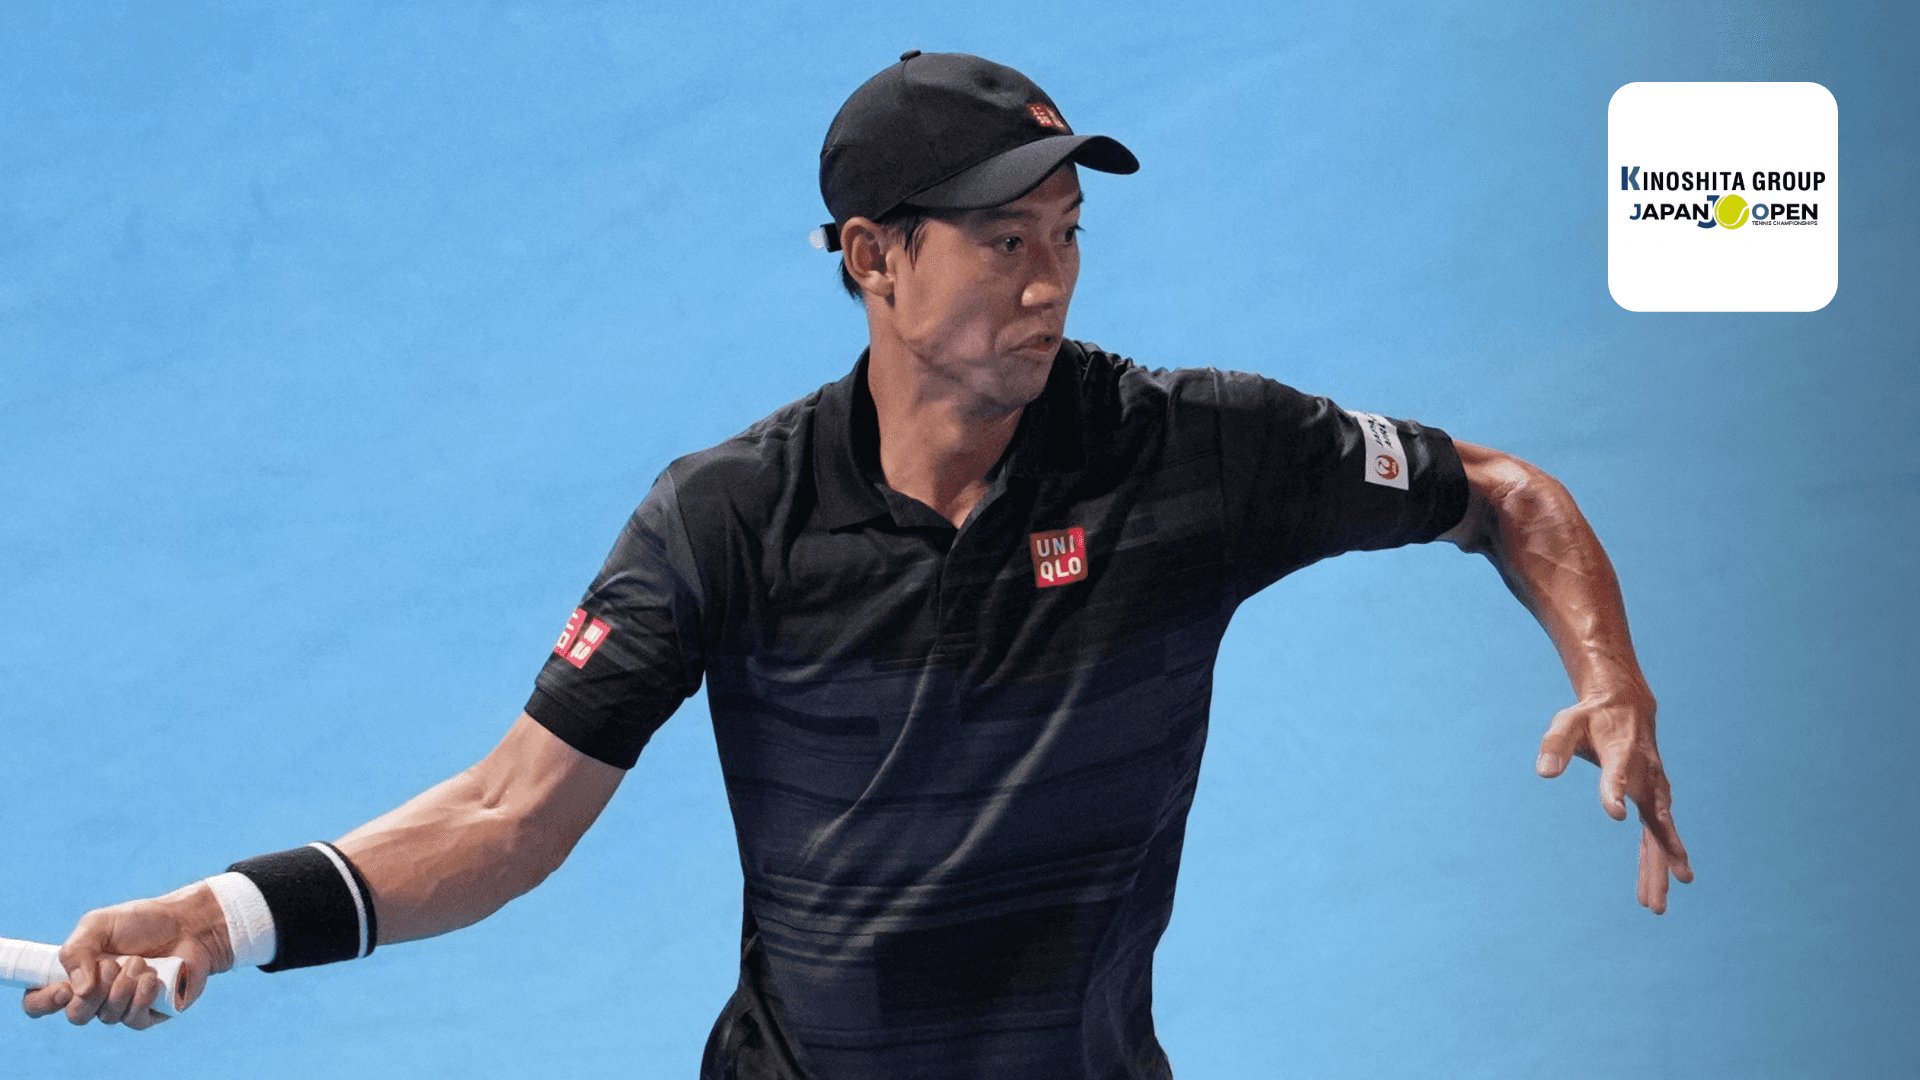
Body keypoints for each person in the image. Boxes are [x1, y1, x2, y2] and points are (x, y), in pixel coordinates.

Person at [23, 51, 1692, 1078]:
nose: (1049, 281)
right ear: (873, 259)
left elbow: (1497, 490)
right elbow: (504, 817)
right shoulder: (730, 519)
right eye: (1003, 240)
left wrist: (1608, 679)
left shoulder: (1196, 452)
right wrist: (227, 917)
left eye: (1067, 236)